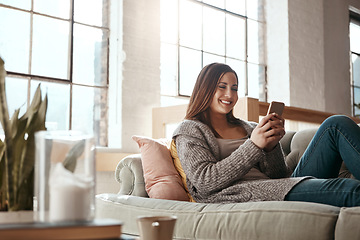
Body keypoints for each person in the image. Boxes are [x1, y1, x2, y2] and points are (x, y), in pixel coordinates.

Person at [172, 62, 360, 207]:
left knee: (335, 124)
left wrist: (270, 147)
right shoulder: (189, 129)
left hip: (279, 186)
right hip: (246, 193)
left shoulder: (250, 127)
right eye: (222, 86)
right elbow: (205, 181)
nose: (230, 94)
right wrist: (254, 146)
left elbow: (279, 176)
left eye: (235, 88)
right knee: (350, 190)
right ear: (205, 89)